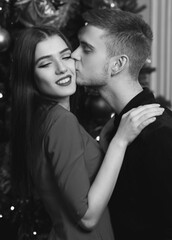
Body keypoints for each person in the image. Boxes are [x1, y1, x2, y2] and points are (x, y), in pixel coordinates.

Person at [10, 25, 164, 240]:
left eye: (65, 57)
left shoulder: (43, 119)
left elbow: (73, 178)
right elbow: (87, 217)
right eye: (45, 63)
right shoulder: (61, 122)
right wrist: (119, 141)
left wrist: (106, 139)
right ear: (30, 76)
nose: (61, 69)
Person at [71, 8, 172, 240]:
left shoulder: (160, 135)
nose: (74, 55)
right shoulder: (117, 128)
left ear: (117, 65)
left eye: (86, 49)